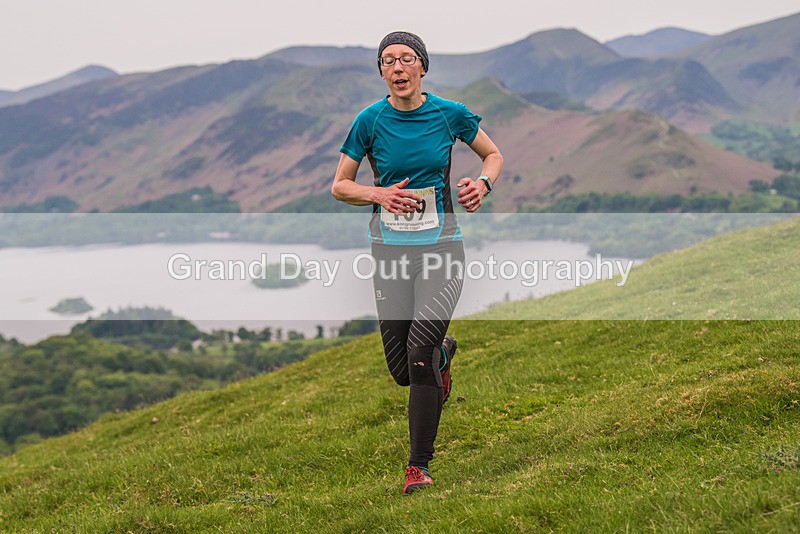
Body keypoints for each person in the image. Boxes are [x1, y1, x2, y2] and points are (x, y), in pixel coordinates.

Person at [331, 31, 502, 494]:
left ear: (422, 67)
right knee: (402, 369)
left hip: (442, 248)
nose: (398, 67)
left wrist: (482, 185)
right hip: (388, 252)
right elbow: (340, 185)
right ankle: (445, 353)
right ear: (383, 72)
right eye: (388, 61)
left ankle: (418, 467)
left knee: (418, 357)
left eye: (407, 58)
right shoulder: (369, 120)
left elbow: (492, 154)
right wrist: (378, 193)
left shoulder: (450, 114)